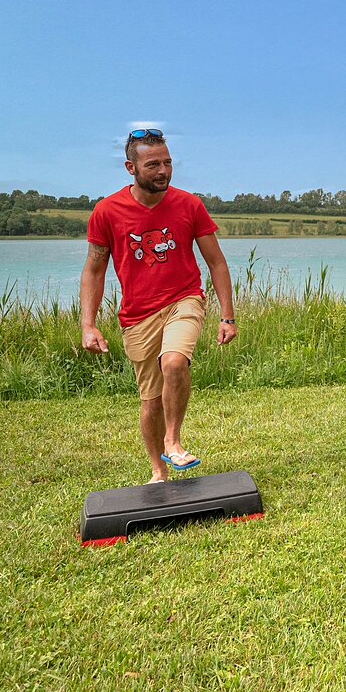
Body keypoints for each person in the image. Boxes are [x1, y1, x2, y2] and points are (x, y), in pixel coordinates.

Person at [81, 127, 238, 483]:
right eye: (153, 164)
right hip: (137, 315)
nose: (163, 171)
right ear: (130, 167)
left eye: (167, 162)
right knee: (150, 400)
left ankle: (174, 439)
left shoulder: (189, 204)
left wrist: (226, 315)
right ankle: (158, 469)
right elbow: (93, 269)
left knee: (174, 361)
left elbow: (217, 262)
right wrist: (88, 324)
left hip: (184, 298)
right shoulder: (107, 212)